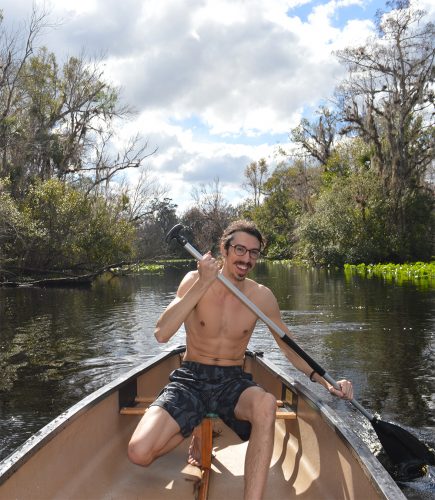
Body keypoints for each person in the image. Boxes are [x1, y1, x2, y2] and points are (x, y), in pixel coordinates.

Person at [128, 219, 353, 500]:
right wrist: (202, 283)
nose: (247, 259)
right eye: (240, 250)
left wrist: (326, 382)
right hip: (191, 378)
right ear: (224, 249)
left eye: (254, 253)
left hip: (232, 380)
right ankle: (193, 426)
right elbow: (162, 333)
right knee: (139, 452)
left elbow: (290, 348)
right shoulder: (193, 281)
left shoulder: (261, 296)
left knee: (266, 403)